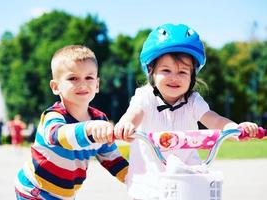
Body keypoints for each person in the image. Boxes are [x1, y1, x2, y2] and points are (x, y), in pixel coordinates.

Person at [114, 23, 259, 199]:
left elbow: (214, 120)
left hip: (187, 177)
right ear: (151, 71)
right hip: (149, 179)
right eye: (166, 70)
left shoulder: (193, 101)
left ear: (192, 76)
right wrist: (126, 125)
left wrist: (235, 128)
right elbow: (133, 114)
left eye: (183, 72)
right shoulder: (145, 97)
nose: (174, 77)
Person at [15, 45, 129, 199]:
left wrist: (138, 181)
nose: (82, 84)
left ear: (97, 85)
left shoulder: (99, 119)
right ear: (56, 87)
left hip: (66, 194)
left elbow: (113, 159)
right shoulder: (54, 116)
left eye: (89, 77)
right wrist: (89, 128)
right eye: (73, 78)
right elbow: (58, 136)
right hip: (35, 190)